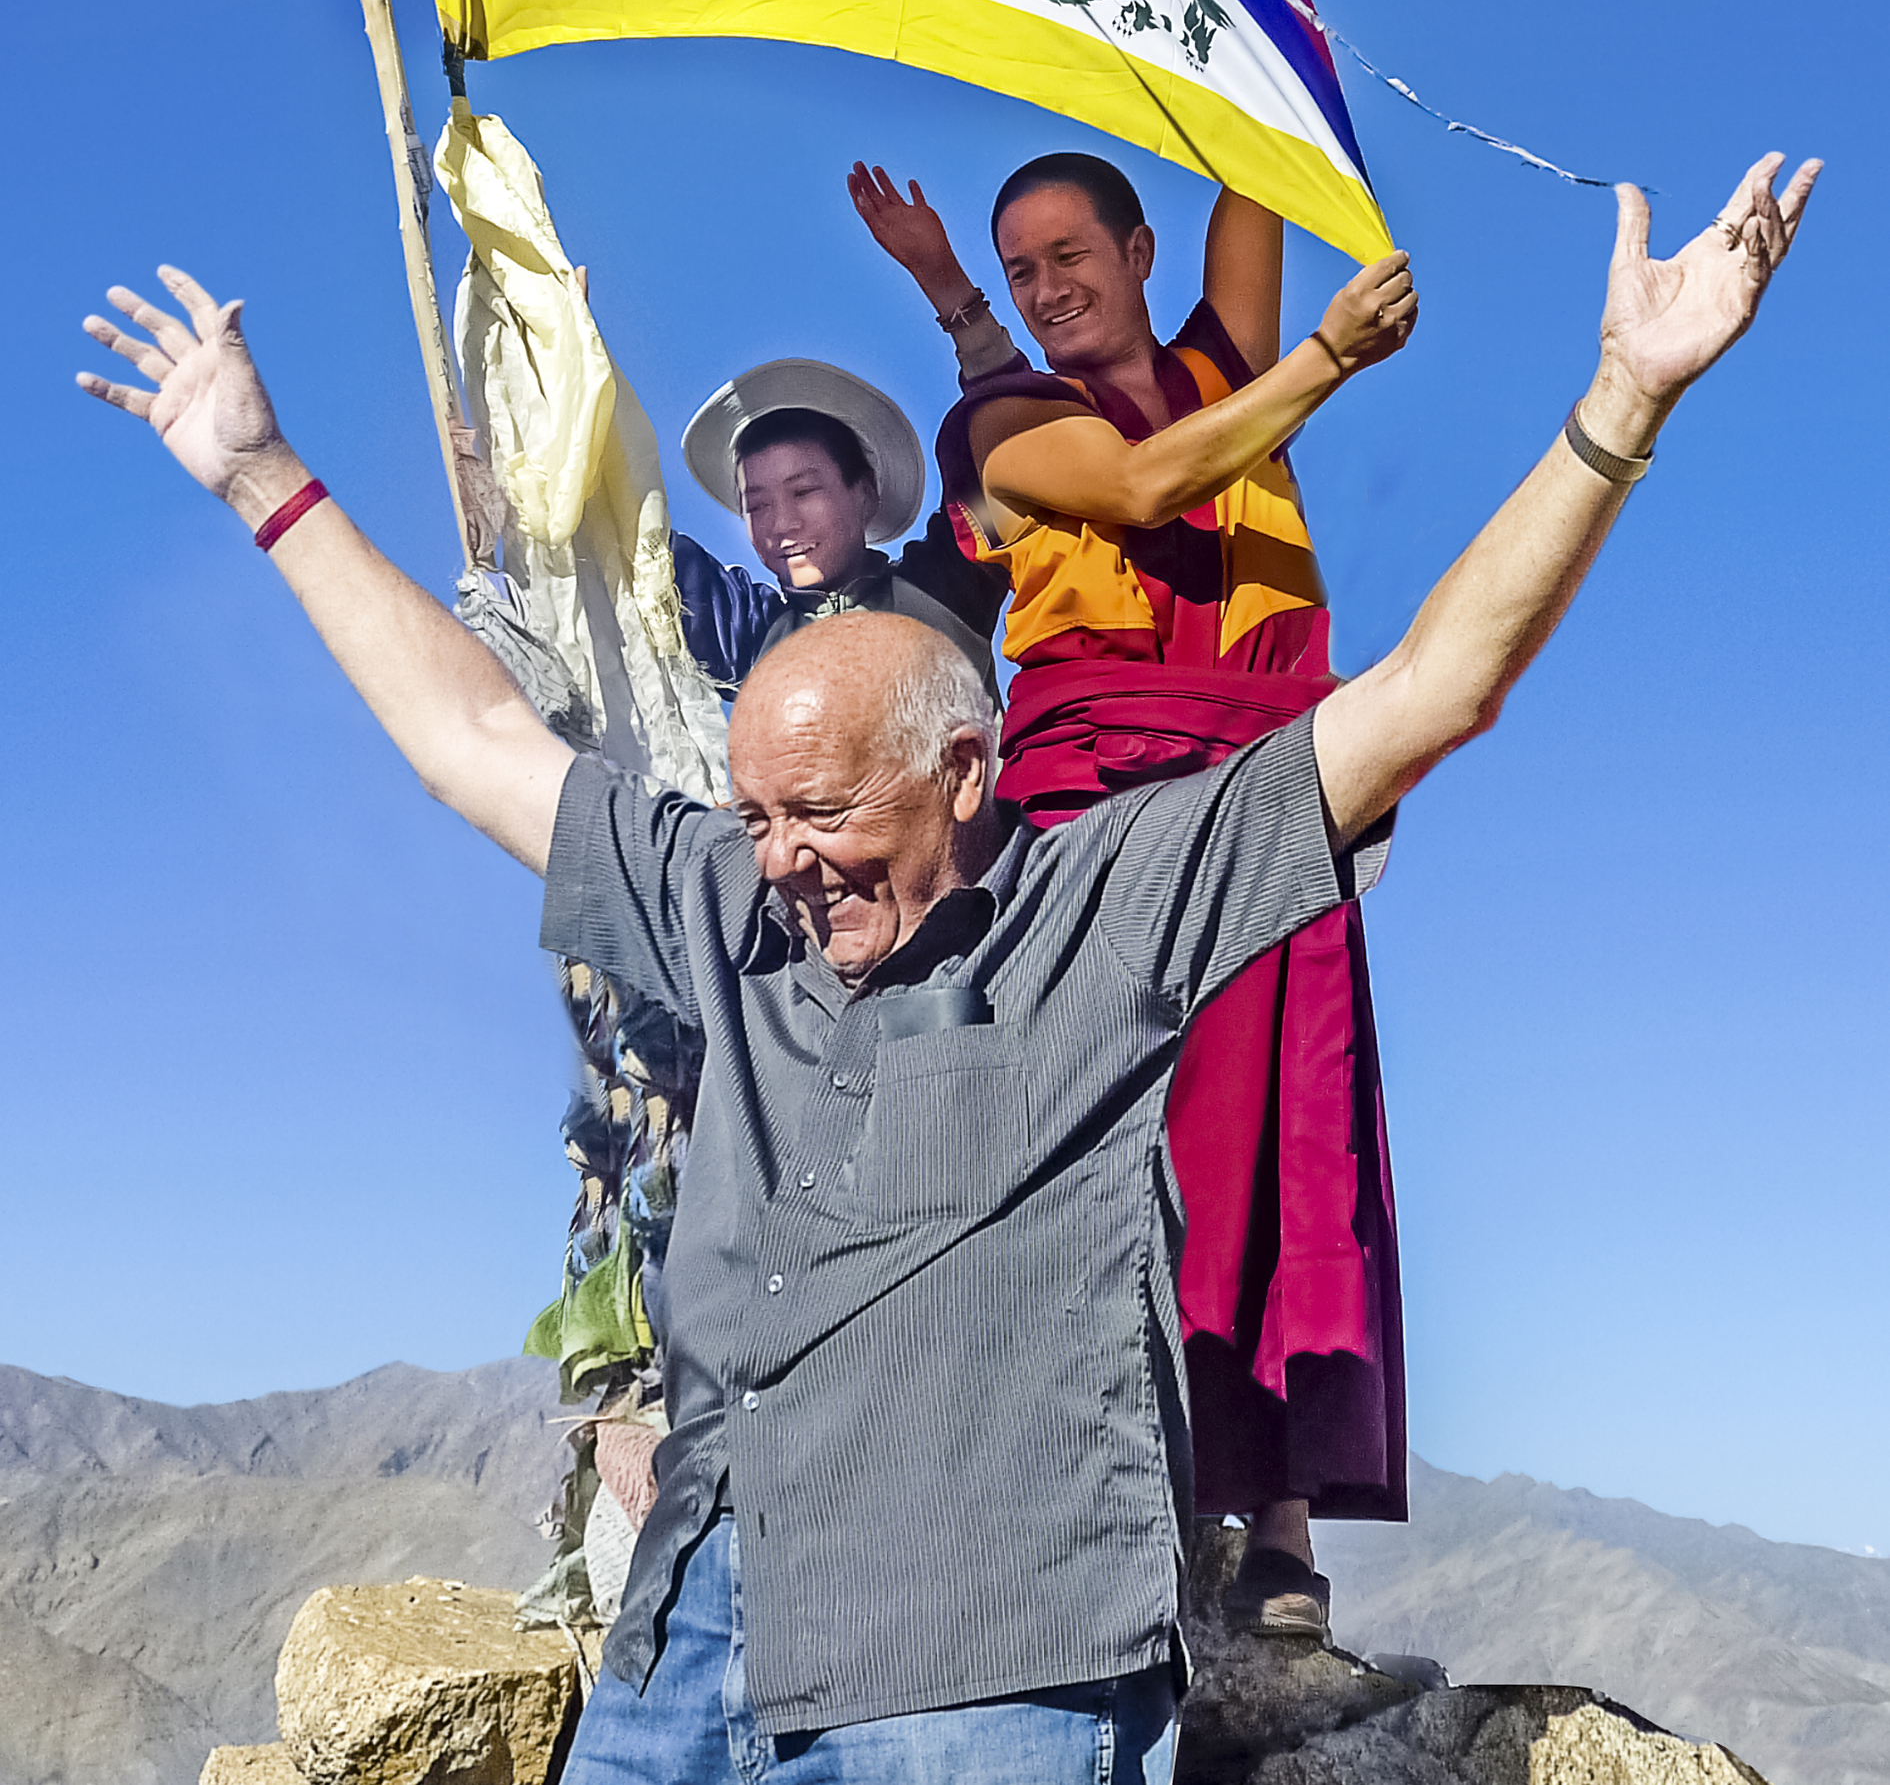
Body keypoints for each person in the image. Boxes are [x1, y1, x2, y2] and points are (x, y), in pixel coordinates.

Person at [76, 149, 1816, 1782]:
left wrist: (1623, 401)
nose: (782, 857)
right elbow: (474, 742)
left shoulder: (1110, 902)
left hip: (985, 1664)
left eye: (826, 812)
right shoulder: (735, 902)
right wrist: (260, 476)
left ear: (968, 771)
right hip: (695, 1652)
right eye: (756, 813)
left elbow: (1433, 688)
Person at [847, 140, 1416, 1633]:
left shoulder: (1218, 360)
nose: (1046, 289)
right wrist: (1328, 361)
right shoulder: (1003, 422)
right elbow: (1155, 476)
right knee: (1125, 1139)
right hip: (1102, 817)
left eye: (1068, 256)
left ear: (1138, 250)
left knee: (1281, 1138)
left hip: (1273, 783)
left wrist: (1258, 38)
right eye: (1017, 271)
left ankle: (1279, 1520)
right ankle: (1116, 1505)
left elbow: (1254, 161)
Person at [668, 356, 1011, 705]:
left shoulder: (942, 590)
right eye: (756, 506)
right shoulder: (752, 640)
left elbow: (1002, 449)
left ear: (866, 492)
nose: (782, 523)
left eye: (803, 491)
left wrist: (980, 343)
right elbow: (647, 549)